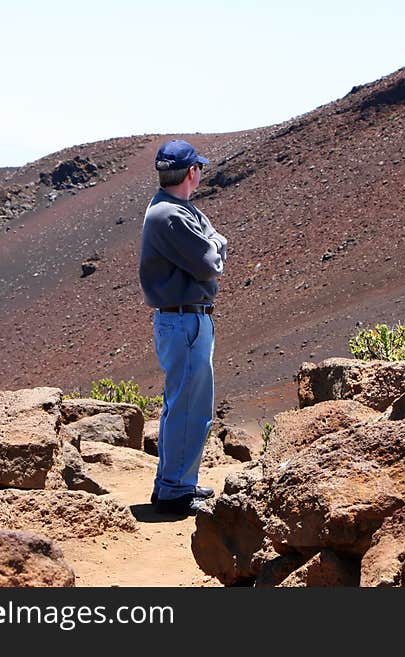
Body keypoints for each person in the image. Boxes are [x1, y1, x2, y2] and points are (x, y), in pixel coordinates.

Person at [138, 139, 228, 515]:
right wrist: (217, 242)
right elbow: (211, 260)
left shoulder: (176, 209)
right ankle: (175, 489)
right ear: (192, 172)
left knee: (184, 403)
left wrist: (212, 241)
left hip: (185, 317)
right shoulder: (171, 216)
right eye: (199, 168)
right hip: (185, 319)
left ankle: (175, 482)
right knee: (190, 406)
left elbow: (209, 244)